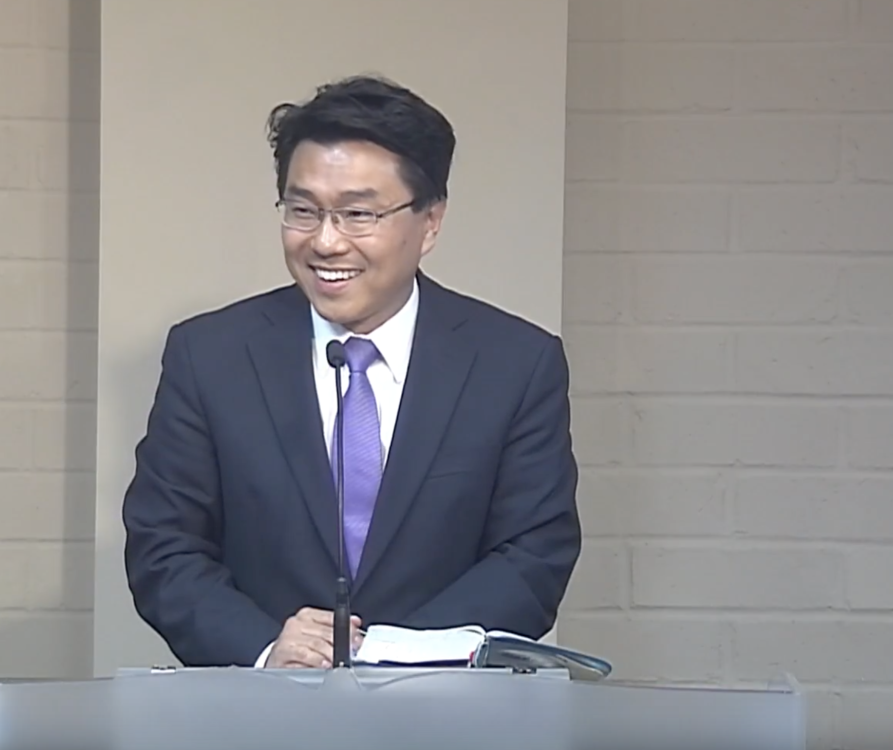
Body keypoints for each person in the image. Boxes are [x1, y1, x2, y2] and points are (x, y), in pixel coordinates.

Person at [122, 75, 581, 669]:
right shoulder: (210, 355)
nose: (326, 242)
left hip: (446, 704)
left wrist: (393, 654)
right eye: (303, 211)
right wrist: (266, 647)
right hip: (261, 704)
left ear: (430, 222)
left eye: (358, 214)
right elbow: (164, 547)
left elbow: (534, 554)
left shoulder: (514, 363)